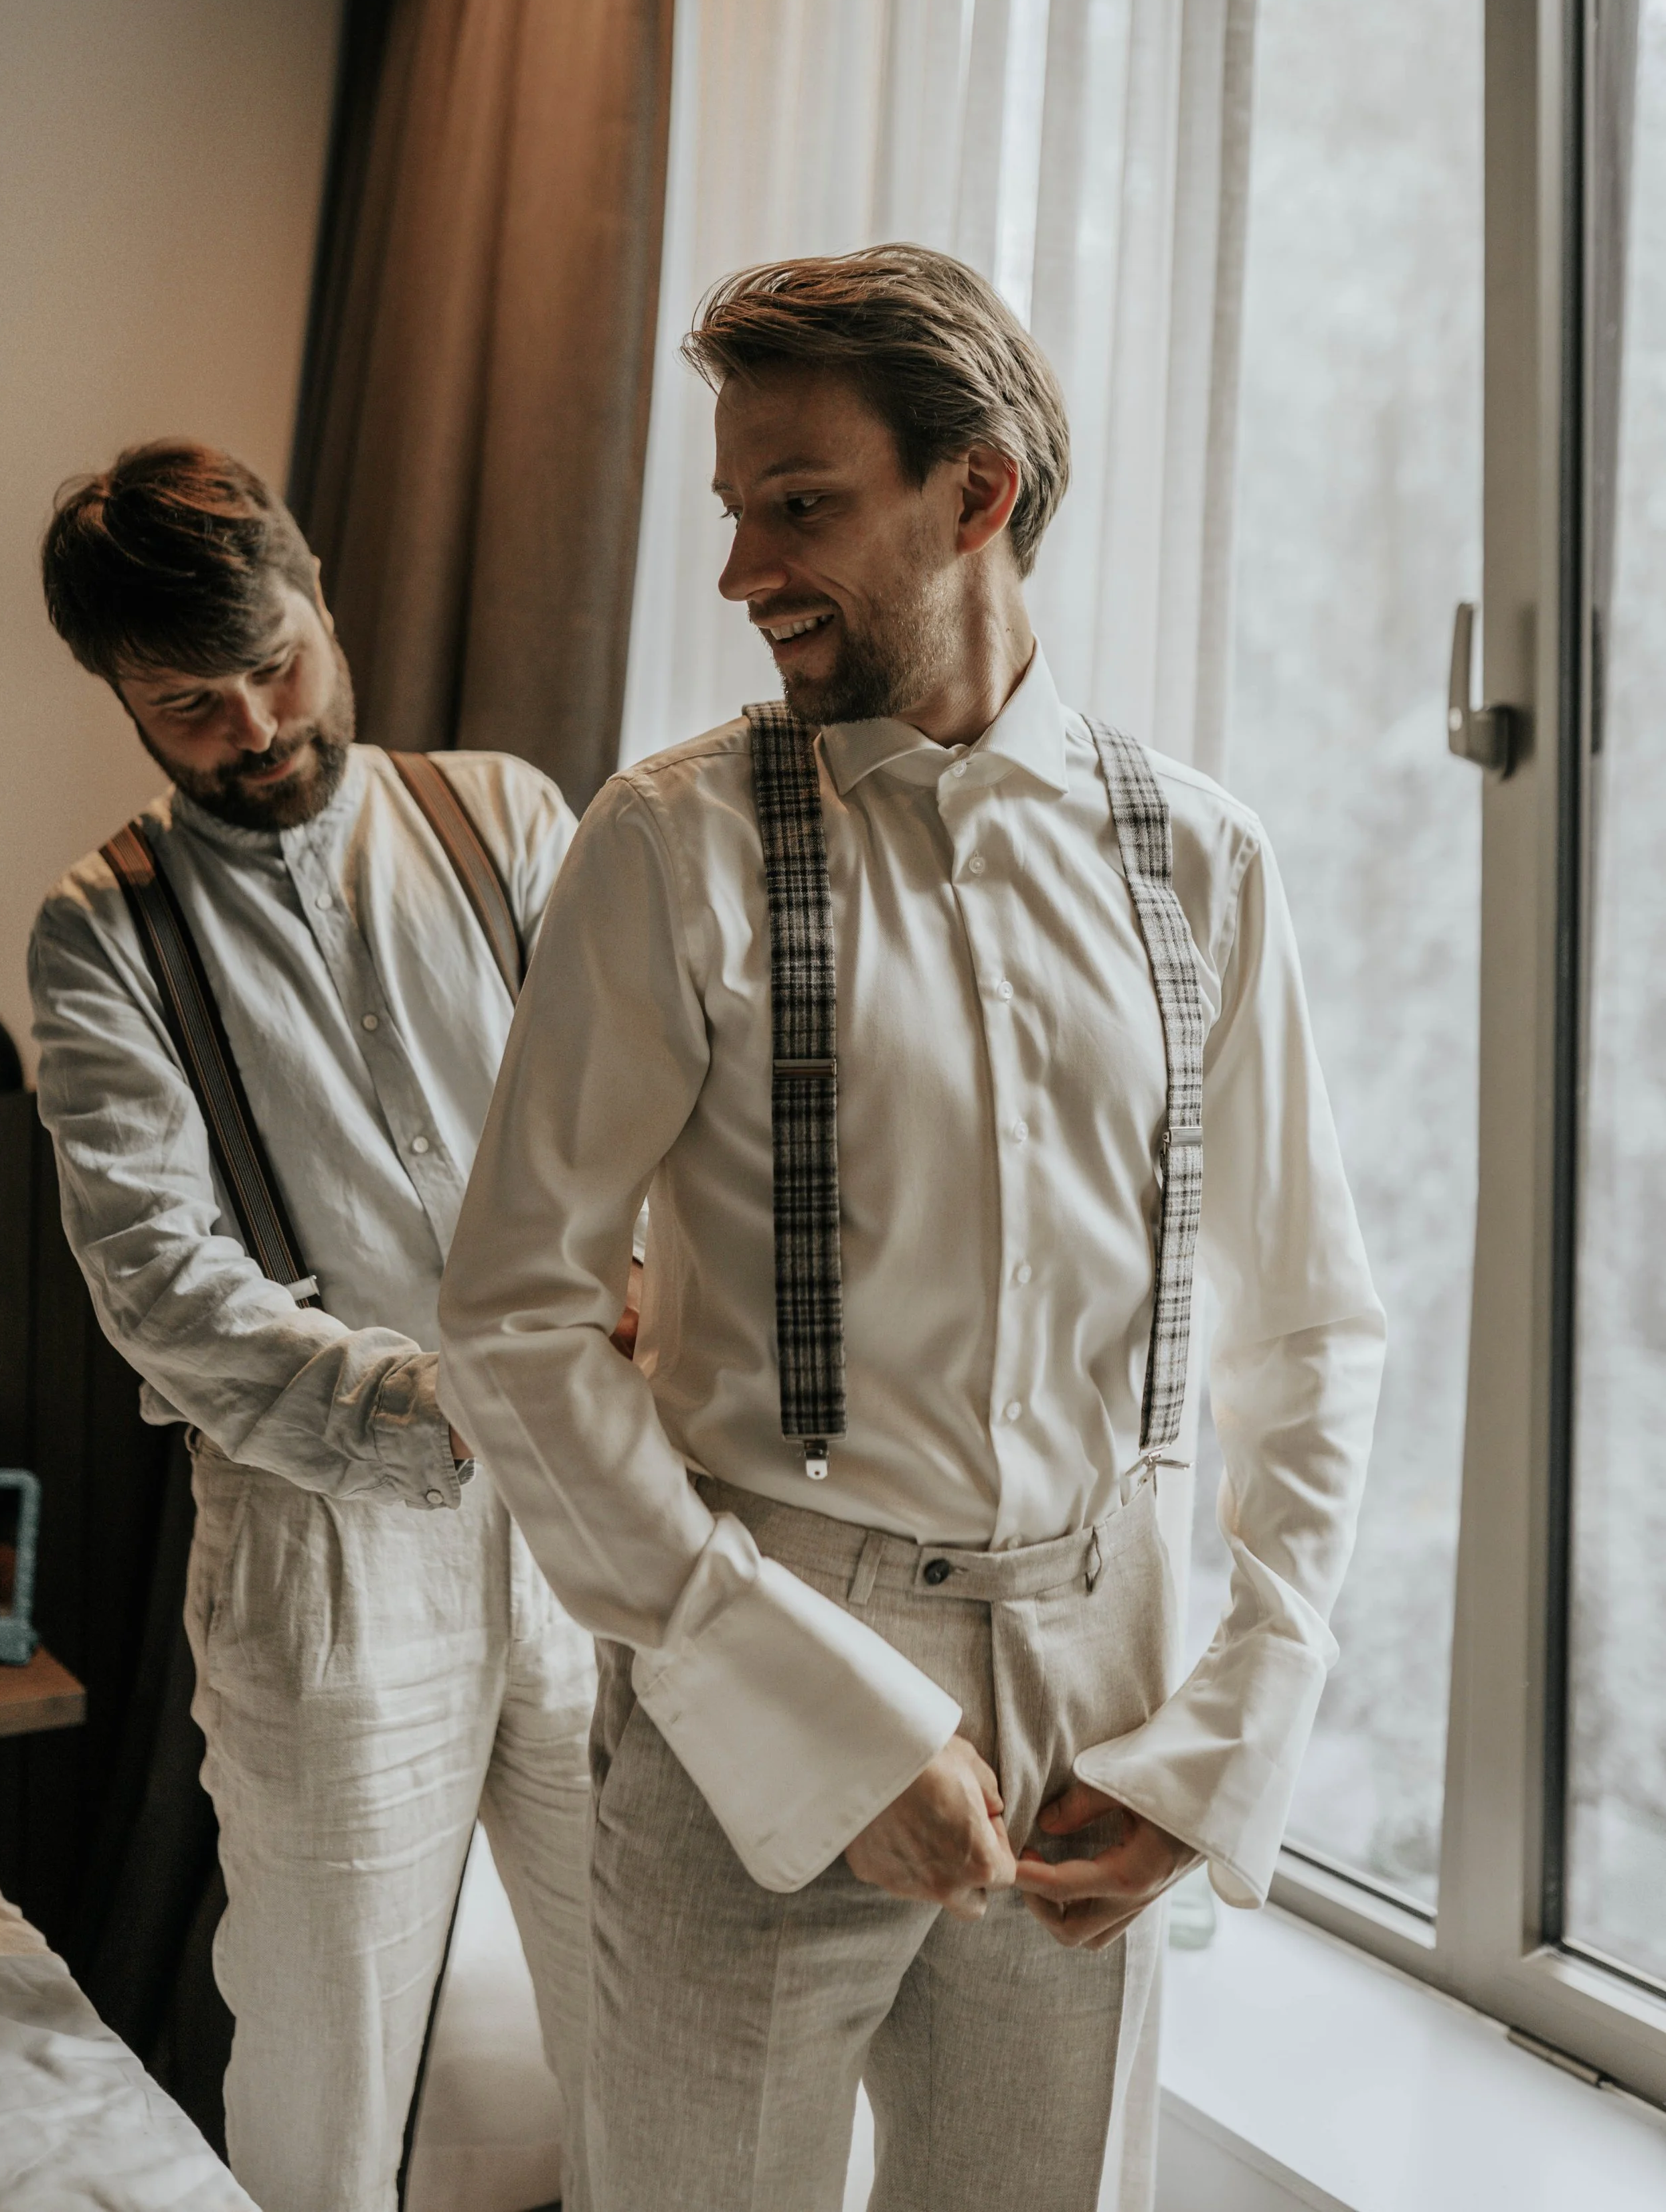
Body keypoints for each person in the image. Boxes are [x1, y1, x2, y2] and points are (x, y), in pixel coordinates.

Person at [438, 245, 1385, 2212]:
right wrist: (795, 1702)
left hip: (1099, 1679)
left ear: (979, 494)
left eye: (801, 506)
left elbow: (1310, 1327)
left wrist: (1231, 1718)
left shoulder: (1201, 857)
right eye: (734, 511)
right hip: (757, 1648)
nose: (741, 572)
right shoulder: (663, 844)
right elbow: (515, 1321)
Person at [29, 444, 601, 2212]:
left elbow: (643, 1132)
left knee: (657, 2005)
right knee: (324, 2055)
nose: (259, 720)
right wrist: (454, 1407)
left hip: (596, 1524)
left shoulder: (508, 818)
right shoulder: (98, 932)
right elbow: (162, 1287)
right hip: (324, 1552)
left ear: (323, 595)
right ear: (121, 698)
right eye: (190, 703)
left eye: (276, 659)